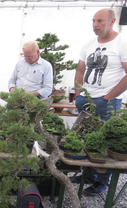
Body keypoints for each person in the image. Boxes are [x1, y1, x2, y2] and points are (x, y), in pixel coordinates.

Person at [73, 8, 127, 196]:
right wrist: (78, 93)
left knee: (104, 144)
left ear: (112, 22)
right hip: (85, 100)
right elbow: (80, 70)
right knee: (87, 139)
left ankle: (102, 182)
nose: (95, 25)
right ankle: (87, 174)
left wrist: (108, 97)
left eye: (100, 21)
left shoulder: (122, 43)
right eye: (93, 21)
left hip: (107, 102)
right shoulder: (88, 43)